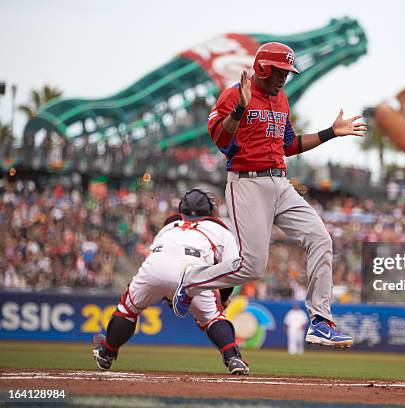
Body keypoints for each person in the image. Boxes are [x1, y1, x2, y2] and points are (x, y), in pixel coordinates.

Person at [172, 42, 366, 348]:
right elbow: (221, 141)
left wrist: (329, 132)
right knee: (253, 266)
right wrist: (239, 109)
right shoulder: (235, 95)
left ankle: (320, 321)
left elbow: (289, 145)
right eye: (280, 71)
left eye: (288, 72)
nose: (284, 78)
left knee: (320, 237)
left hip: (280, 182)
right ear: (263, 67)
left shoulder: (282, 98)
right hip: (246, 182)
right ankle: (192, 281)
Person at [93, 189, 249, 375]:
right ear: (210, 211)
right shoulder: (222, 231)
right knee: (212, 318)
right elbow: (229, 270)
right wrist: (224, 298)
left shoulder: (169, 226)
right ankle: (233, 358)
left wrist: (156, 289)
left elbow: (161, 261)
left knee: (127, 310)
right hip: (192, 271)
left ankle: (107, 352)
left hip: (155, 267)